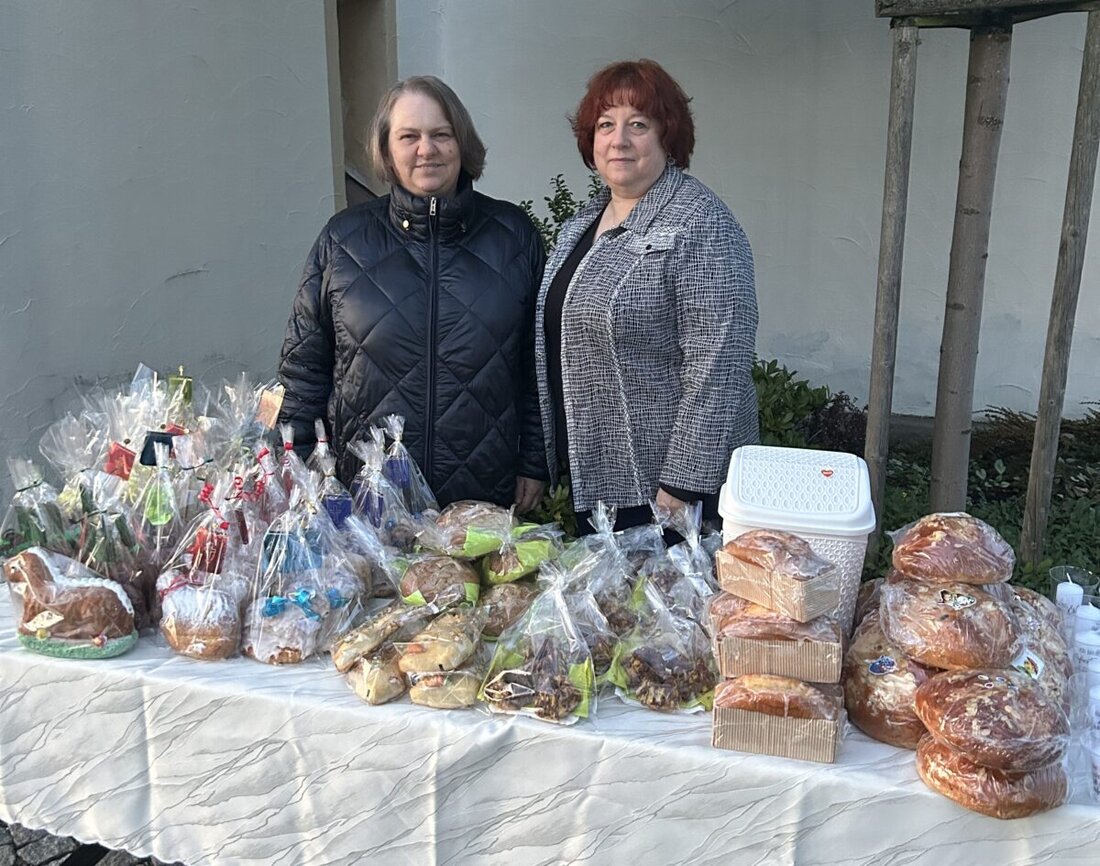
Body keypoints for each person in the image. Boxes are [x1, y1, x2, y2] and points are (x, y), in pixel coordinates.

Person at [278, 76, 547, 510]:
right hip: (366, 497)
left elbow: (540, 364)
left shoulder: (513, 238)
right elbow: (305, 367)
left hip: (481, 500)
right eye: (409, 137)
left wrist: (535, 461)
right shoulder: (344, 241)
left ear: (462, 144)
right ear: (387, 150)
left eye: (442, 134)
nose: (427, 149)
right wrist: (297, 467)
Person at [536, 59, 758, 533]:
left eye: (638, 124)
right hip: (601, 477)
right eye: (605, 125)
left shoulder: (700, 222)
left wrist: (683, 483)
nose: (618, 140)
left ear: (667, 137)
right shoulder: (584, 223)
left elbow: (719, 362)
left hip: (666, 493)